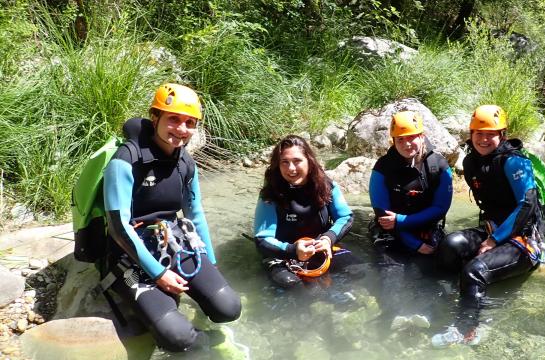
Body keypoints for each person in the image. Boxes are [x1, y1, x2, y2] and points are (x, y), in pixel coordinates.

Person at [103, 83, 241, 352]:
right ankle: (204, 344)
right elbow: (118, 227)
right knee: (178, 338)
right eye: (173, 119)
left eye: (190, 123)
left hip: (171, 241)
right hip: (128, 255)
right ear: (155, 118)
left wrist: (211, 262)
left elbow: (195, 213)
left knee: (228, 307)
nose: (182, 129)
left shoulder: (185, 162)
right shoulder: (125, 161)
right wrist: (159, 274)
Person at [432, 105, 545, 347]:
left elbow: (526, 206)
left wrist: (494, 241)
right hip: (493, 228)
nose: (484, 139)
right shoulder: (472, 162)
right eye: (479, 134)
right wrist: (490, 235)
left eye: (490, 134)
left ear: (502, 135)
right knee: (449, 245)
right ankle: (455, 297)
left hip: (525, 237)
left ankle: (466, 330)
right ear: (471, 134)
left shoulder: (516, 163)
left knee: (474, 270)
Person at [367, 110, 453, 330]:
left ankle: (428, 314)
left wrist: (405, 223)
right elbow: (384, 217)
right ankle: (392, 314)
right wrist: (413, 243)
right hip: (391, 232)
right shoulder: (383, 168)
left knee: (426, 268)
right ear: (393, 140)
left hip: (424, 226)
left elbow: (440, 208)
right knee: (391, 269)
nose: (407, 144)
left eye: (412, 137)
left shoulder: (438, 166)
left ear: (422, 136)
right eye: (400, 139)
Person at [253, 135, 355, 289]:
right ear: (278, 165)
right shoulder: (270, 195)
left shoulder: (326, 186)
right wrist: (293, 250)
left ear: (309, 161)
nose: (291, 169)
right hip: (283, 254)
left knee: (358, 271)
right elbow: (262, 240)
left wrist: (328, 238)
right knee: (297, 288)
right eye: (285, 162)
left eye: (297, 161)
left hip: (321, 247)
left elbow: (346, 217)